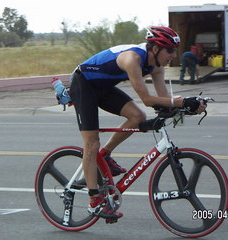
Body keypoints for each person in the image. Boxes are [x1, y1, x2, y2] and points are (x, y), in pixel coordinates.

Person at [69, 26, 207, 221]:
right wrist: (179, 101)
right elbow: (148, 99)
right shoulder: (132, 59)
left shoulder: (157, 66)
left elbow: (163, 100)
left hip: (104, 87)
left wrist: (189, 107)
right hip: (84, 84)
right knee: (91, 143)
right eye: (169, 50)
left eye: (174, 51)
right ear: (156, 48)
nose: (173, 56)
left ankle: (105, 155)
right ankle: (94, 202)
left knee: (138, 117)